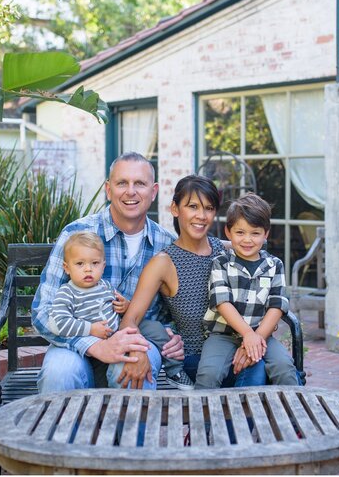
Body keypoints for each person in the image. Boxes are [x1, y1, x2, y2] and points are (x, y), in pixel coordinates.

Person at [31, 152, 182, 391]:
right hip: (79, 341)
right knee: (59, 373)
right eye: (122, 183)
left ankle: (128, 430)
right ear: (108, 190)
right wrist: (95, 345)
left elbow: (175, 315)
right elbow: (43, 311)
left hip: (138, 341)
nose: (130, 191)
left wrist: (173, 337)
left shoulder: (167, 244)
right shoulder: (77, 234)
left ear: (153, 192)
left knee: (131, 369)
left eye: (139, 184)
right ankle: (64, 430)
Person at [111, 175, 266, 389]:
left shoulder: (227, 250)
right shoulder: (164, 263)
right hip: (198, 360)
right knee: (257, 370)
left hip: (241, 348)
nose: (201, 216)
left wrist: (250, 343)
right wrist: (137, 349)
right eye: (193, 206)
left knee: (263, 365)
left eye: (209, 208)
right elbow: (130, 320)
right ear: (175, 209)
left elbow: (265, 285)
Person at [196, 193, 300, 388]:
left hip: (262, 335)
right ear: (228, 232)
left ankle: (291, 414)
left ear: (266, 234)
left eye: (255, 233)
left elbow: (277, 306)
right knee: (209, 373)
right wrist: (247, 335)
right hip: (223, 336)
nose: (247, 240)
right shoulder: (221, 263)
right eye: (240, 232)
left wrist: (256, 337)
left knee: (285, 367)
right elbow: (222, 302)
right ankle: (203, 416)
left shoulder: (274, 265)